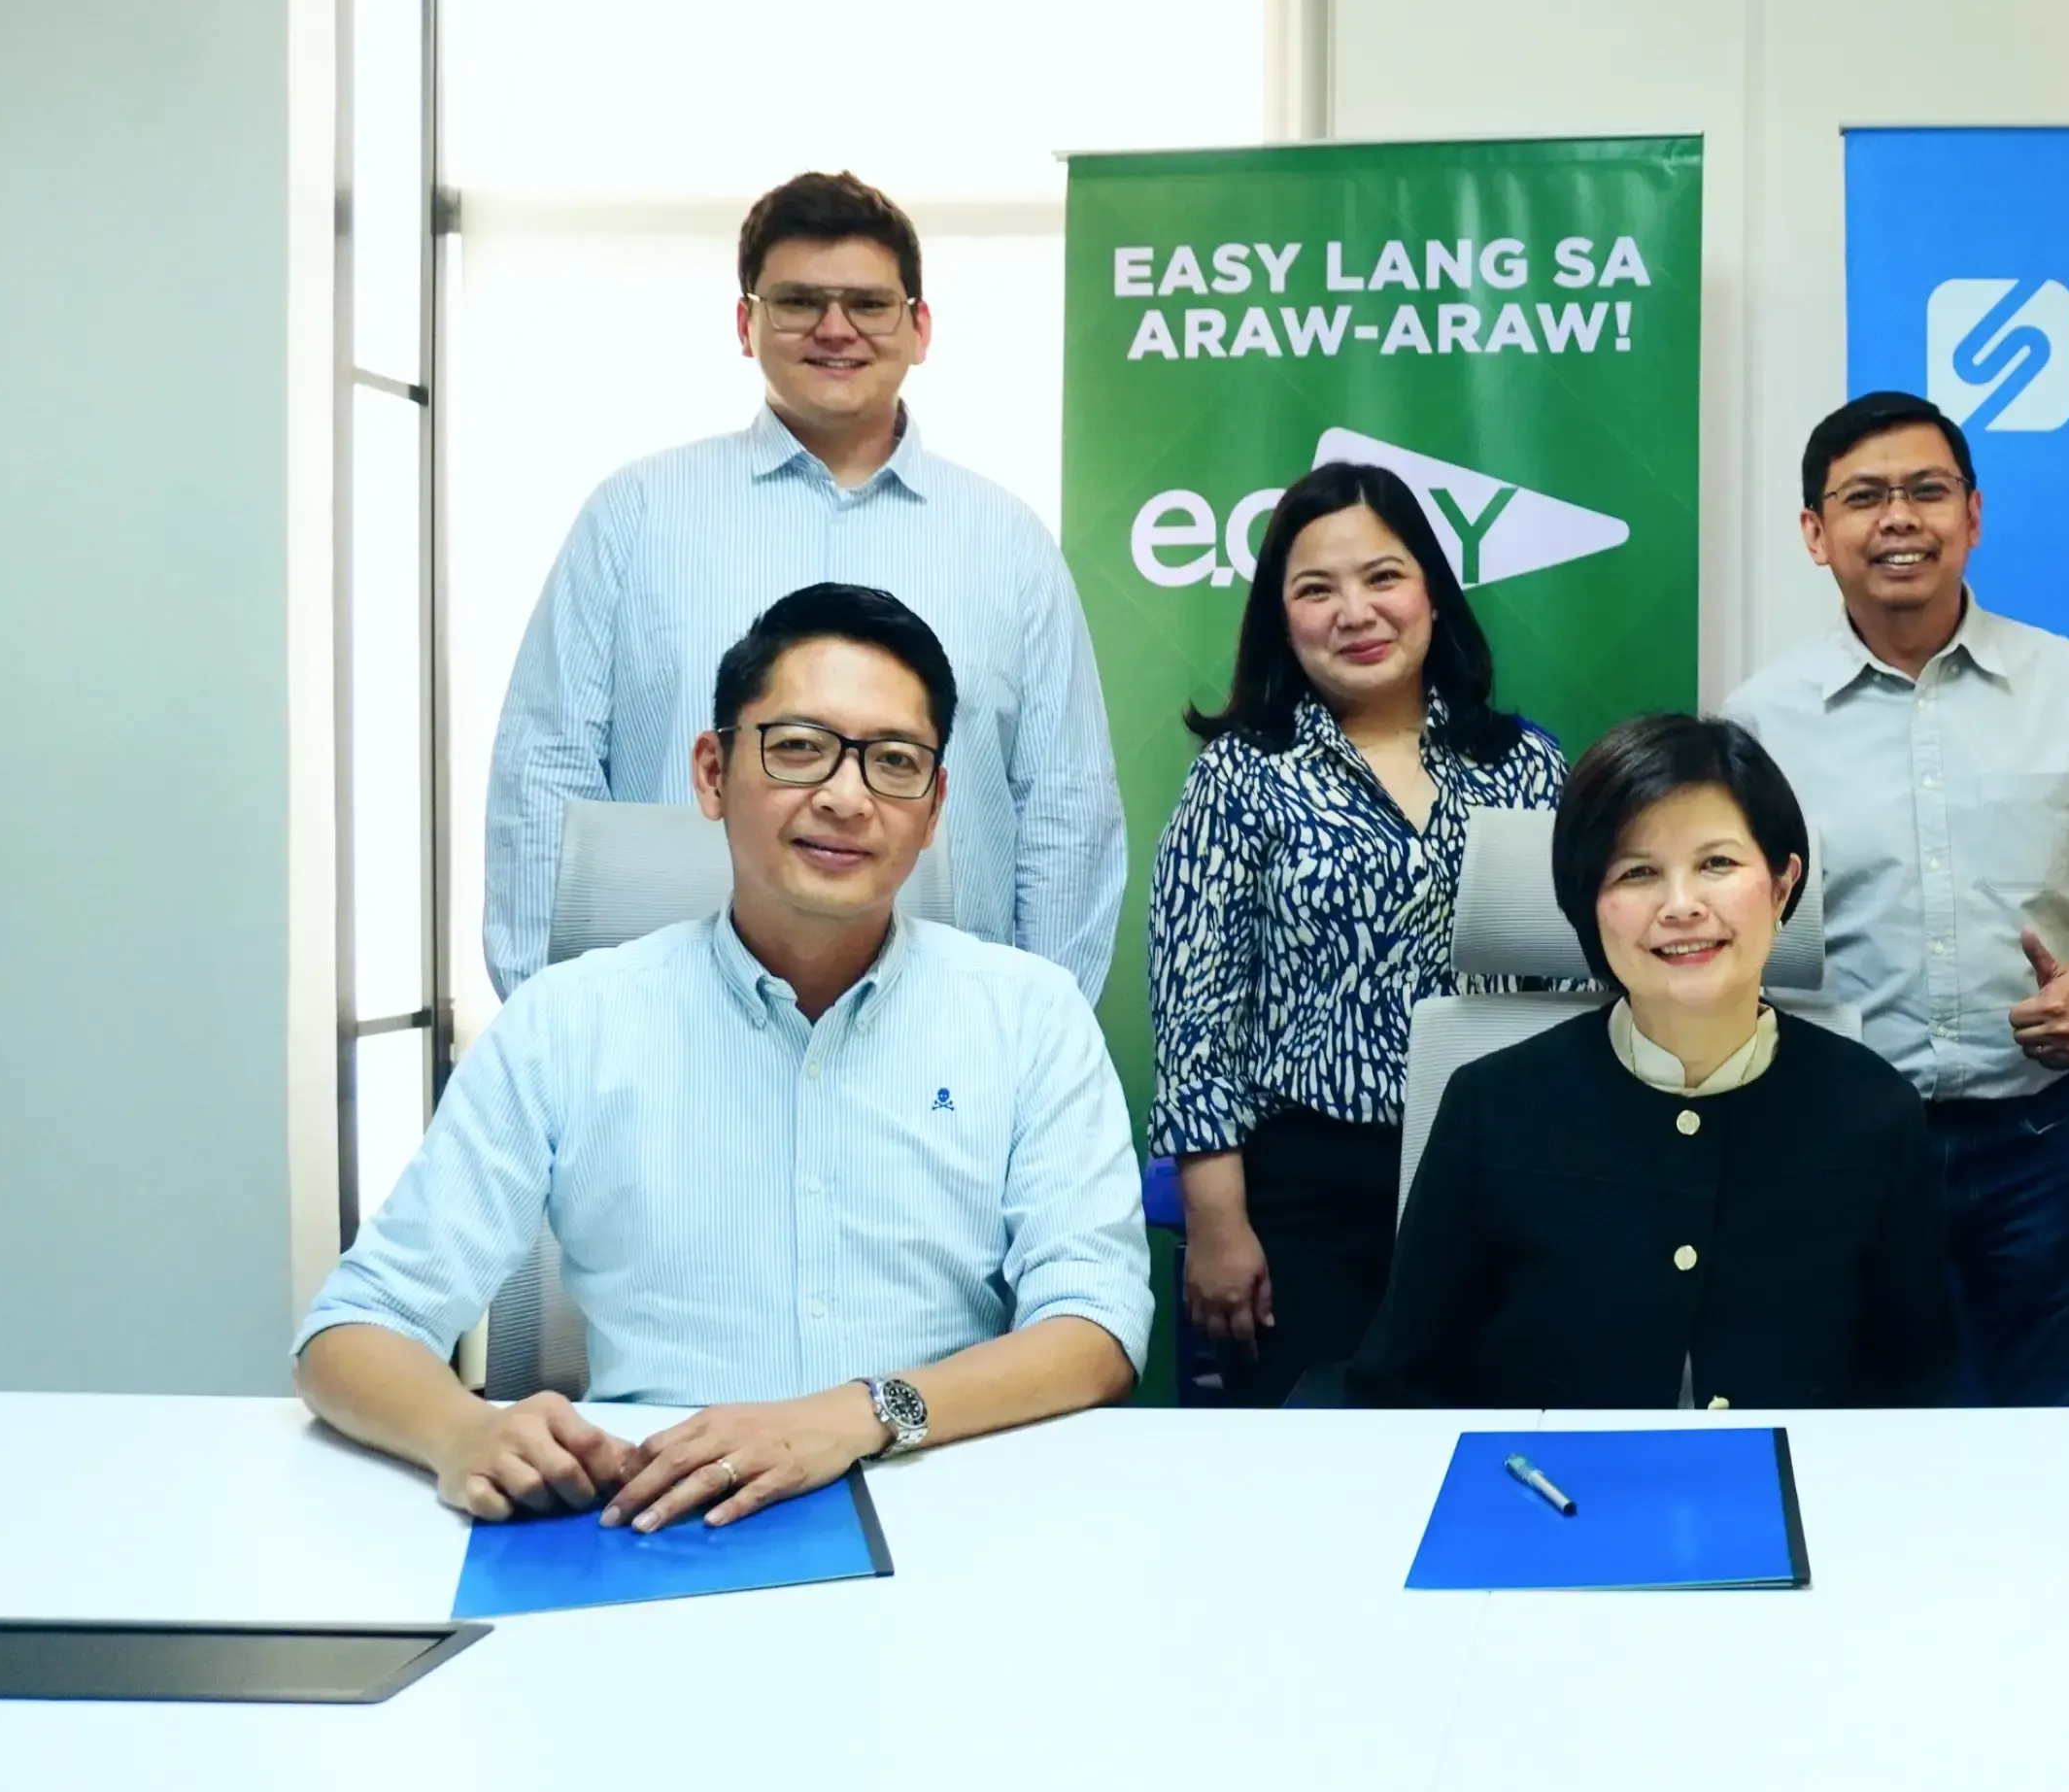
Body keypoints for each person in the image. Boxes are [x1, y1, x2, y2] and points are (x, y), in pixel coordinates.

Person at [299, 584, 1150, 1531]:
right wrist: (461, 1435)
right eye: (798, 748)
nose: (844, 795)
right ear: (712, 772)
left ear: (935, 804)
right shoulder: (567, 1024)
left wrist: (859, 1414)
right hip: (651, 1516)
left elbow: (1097, 1327)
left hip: (947, 1500)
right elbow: (350, 1330)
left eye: (894, 762)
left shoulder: (1030, 1017)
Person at [483, 169, 1123, 1001]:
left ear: (919, 327)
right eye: (797, 302)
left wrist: (1040, 1027)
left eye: (867, 303)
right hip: (669, 1029)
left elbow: (1065, 804)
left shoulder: (1006, 541)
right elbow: (546, 766)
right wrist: (547, 1014)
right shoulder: (637, 514)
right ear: (746, 324)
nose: (834, 329)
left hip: (941, 1038)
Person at [1722, 391, 2069, 1406]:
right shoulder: (1760, 720)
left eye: (1926, 491)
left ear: (1973, 516)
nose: (1900, 518)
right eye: (1864, 497)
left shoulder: (2068, 684)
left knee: (2063, 1428)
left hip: (2038, 1135)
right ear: (1816, 533)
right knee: (1846, 1431)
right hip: (1832, 1139)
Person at [1344, 716, 1955, 1410]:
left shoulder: (1873, 1110)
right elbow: (1398, 1386)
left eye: (1717, 864)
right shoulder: (1493, 1106)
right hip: (1553, 1502)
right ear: (1588, 908)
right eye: (1637, 873)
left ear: (1783, 886)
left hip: (1790, 1497)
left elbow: (1916, 1390)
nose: (1681, 906)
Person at [1145, 461, 1566, 1408]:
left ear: (1430, 591)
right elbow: (1194, 1020)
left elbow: (1573, 988)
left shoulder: (1526, 766)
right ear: (1280, 617)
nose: (1355, 611)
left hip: (1503, 1183)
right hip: (1307, 1198)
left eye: (1383, 577)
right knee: (1315, 1483)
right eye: (1315, 589)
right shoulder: (1242, 777)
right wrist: (1217, 1226)